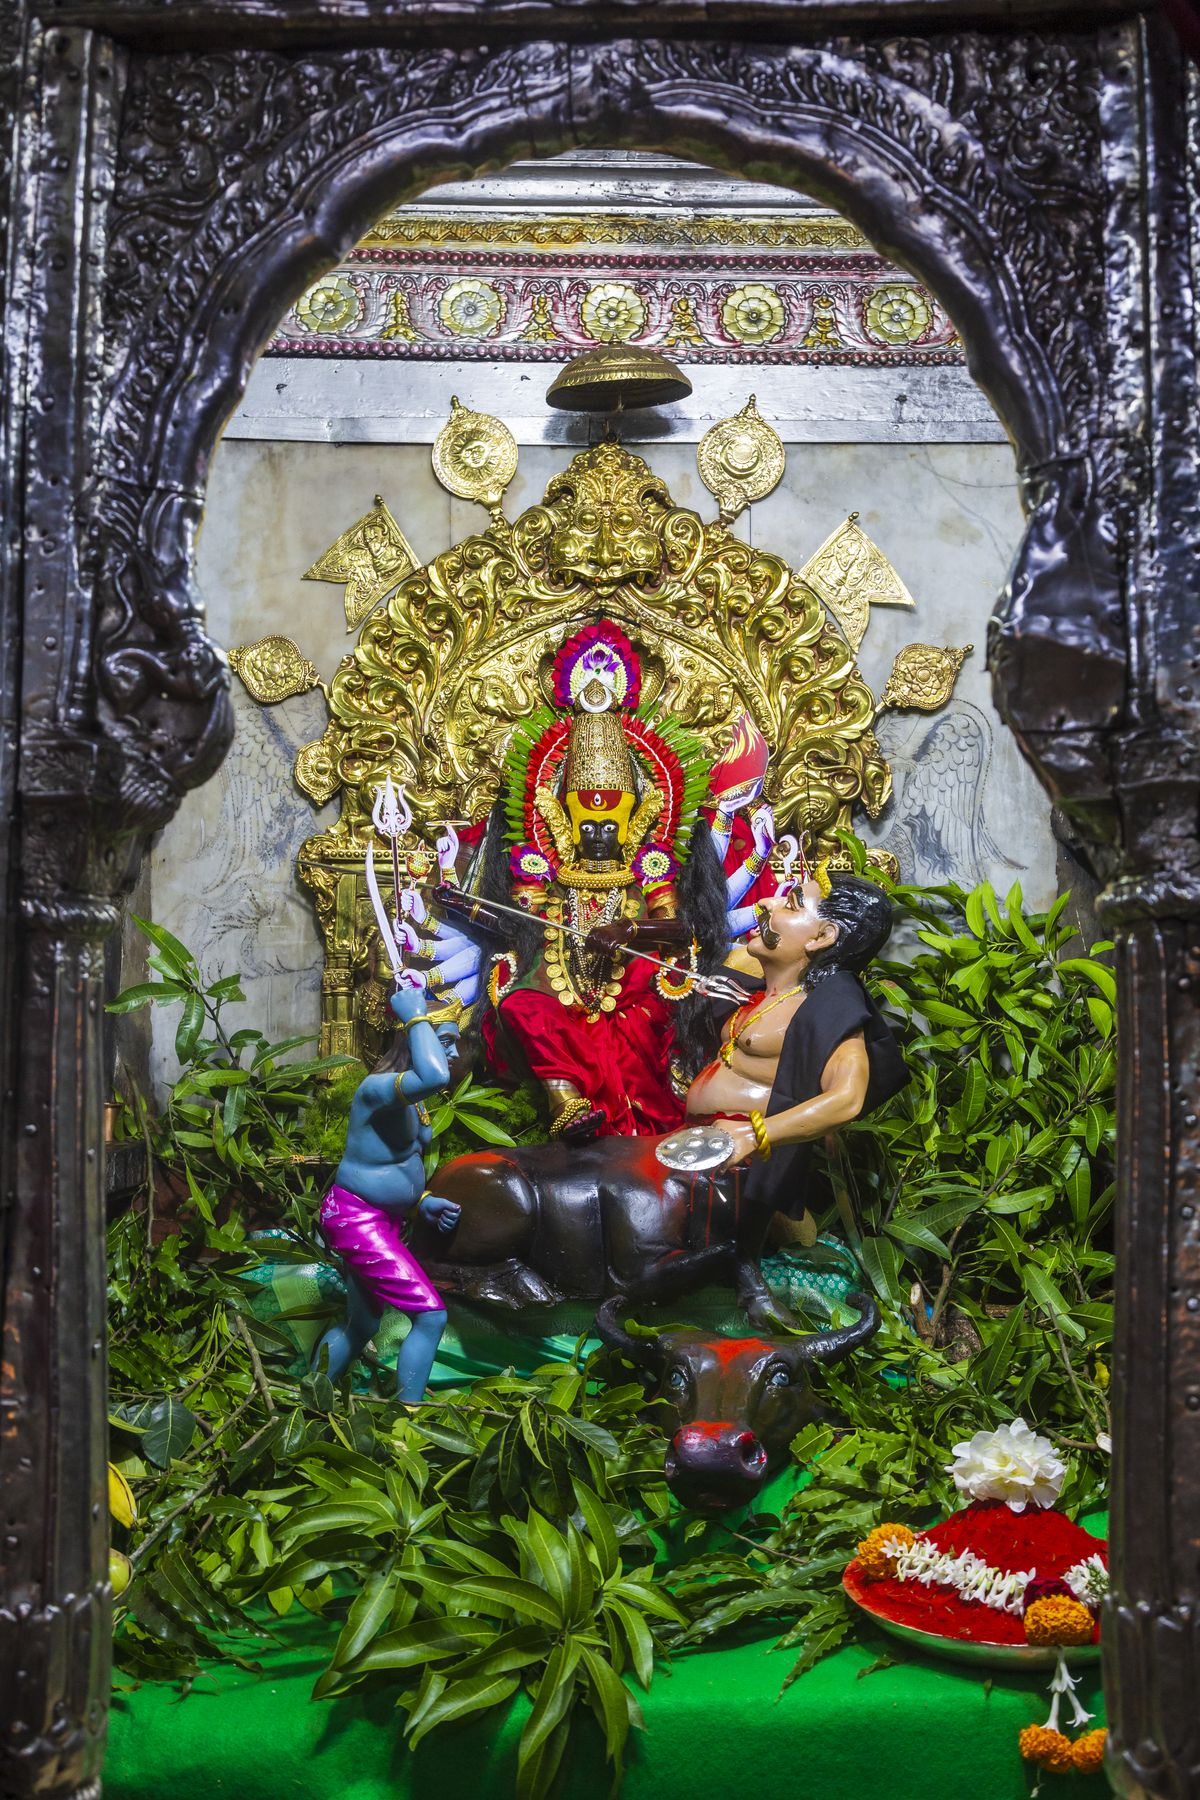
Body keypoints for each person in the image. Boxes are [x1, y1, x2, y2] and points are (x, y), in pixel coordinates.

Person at [687, 869, 910, 1219]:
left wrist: (752, 1134)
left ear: (823, 937)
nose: (765, 902)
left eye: (790, 905)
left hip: (739, 1168)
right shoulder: (758, 988)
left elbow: (847, 1099)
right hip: (696, 1146)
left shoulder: (829, 1008)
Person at [313, 982, 461, 1402]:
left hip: (384, 1219)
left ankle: (305, 1398)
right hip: (355, 1217)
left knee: (362, 1325)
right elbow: (435, 1074)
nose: (452, 1053)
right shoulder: (376, 1089)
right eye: (443, 1041)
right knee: (431, 1316)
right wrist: (414, 1012)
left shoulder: (412, 1100)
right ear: (416, 1037)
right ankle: (408, 1419)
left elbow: (391, 1163)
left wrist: (420, 1202)